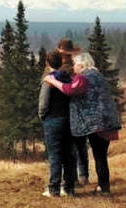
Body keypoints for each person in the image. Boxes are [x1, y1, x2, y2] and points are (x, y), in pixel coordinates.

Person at [44, 52, 122, 195]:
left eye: (75, 65)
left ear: (81, 64)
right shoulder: (98, 76)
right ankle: (102, 186)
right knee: (101, 156)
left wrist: (52, 80)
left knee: (98, 155)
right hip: (108, 120)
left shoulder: (84, 77)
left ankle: (102, 188)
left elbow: (70, 90)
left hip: (96, 123)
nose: (73, 68)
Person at [38, 50, 75, 197]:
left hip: (53, 120)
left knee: (55, 156)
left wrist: (43, 116)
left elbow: (43, 103)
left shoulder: (49, 81)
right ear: (61, 63)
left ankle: (54, 189)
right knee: (68, 155)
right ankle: (69, 188)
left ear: (47, 63)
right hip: (68, 119)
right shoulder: (68, 78)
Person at [56, 38, 89, 185]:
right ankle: (73, 177)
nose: (64, 56)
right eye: (62, 53)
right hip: (64, 109)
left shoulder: (75, 67)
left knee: (80, 144)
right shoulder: (58, 66)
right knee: (70, 146)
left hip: (76, 107)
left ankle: (83, 175)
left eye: (66, 54)